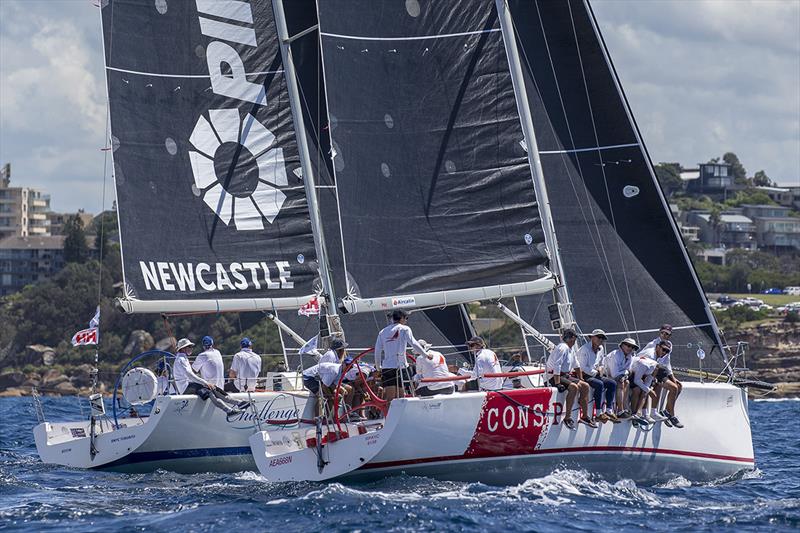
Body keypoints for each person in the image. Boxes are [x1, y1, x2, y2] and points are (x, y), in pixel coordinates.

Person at [173, 338, 246, 417]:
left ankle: (238, 404)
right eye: (189, 346)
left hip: (188, 385)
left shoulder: (182, 358)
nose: (191, 348)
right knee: (210, 390)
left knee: (213, 388)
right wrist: (205, 383)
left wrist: (206, 383)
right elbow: (190, 375)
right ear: (183, 348)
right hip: (185, 387)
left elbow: (191, 375)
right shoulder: (181, 359)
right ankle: (231, 408)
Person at [374, 309, 429, 404]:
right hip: (401, 366)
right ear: (402, 318)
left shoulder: (382, 332)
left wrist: (379, 368)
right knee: (402, 396)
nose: (406, 320)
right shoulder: (405, 329)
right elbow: (414, 343)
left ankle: (389, 418)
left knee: (390, 398)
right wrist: (426, 355)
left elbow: (377, 351)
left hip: (387, 367)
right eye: (406, 318)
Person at [545, 329, 593, 429]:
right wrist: (557, 383)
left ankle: (584, 416)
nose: (574, 341)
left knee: (585, 386)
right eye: (574, 338)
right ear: (571, 338)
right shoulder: (563, 347)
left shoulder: (570, 349)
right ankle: (568, 417)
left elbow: (577, 365)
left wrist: (581, 378)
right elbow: (557, 365)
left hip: (564, 375)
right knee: (573, 387)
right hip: (552, 376)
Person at [574, 329, 619, 423]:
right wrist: (596, 372)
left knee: (612, 383)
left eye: (602, 338)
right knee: (599, 384)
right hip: (585, 375)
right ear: (592, 338)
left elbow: (601, 363)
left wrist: (601, 368)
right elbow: (582, 368)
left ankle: (609, 411)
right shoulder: (584, 350)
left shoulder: (601, 348)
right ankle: (598, 413)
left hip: (596, 374)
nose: (601, 339)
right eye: (599, 337)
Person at [639, 338, 683, 428]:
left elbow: (667, 366)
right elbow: (642, 369)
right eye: (663, 350)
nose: (664, 353)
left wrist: (673, 378)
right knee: (651, 387)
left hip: (655, 371)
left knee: (676, 387)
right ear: (657, 347)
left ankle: (660, 412)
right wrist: (651, 381)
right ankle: (669, 415)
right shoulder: (650, 354)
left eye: (667, 351)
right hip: (641, 373)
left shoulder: (662, 354)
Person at [628, 354, 658, 426]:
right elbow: (636, 380)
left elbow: (647, 384)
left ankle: (638, 413)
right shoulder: (645, 365)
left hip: (639, 375)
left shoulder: (654, 369)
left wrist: (647, 390)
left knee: (644, 392)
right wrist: (649, 390)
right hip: (631, 373)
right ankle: (633, 413)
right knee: (637, 390)